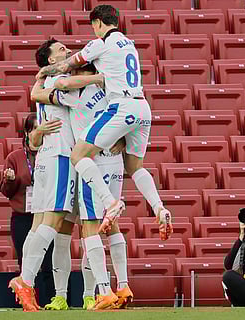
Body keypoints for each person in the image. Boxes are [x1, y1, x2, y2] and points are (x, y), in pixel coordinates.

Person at [34, 4, 173, 240]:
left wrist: (44, 72)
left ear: (98, 23)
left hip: (121, 105)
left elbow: (68, 66)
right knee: (134, 167)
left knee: (79, 155)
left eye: (93, 27)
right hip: (143, 107)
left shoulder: (100, 44)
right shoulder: (129, 44)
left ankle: (110, 203)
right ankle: (159, 207)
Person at [31, 63, 132, 310]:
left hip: (87, 163)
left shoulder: (74, 94)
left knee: (89, 228)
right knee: (109, 224)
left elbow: (40, 94)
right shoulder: (113, 91)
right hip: (112, 162)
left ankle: (99, 292)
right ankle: (121, 285)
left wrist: (42, 78)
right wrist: (125, 138)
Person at [8, 39, 79, 312]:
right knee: (54, 221)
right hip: (60, 156)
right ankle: (25, 280)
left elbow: (36, 94)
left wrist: (39, 82)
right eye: (61, 50)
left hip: (45, 160)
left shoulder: (44, 83)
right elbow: (65, 92)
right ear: (51, 61)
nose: (67, 52)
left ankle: (26, 284)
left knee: (38, 224)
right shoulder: (60, 80)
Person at [0, 113, 57, 306]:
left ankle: (53, 300)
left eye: (40, 128)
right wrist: (10, 180)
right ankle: (28, 300)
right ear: (26, 132)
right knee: (26, 261)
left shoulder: (51, 154)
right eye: (33, 129)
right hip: (23, 217)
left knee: (49, 263)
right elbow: (6, 192)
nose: (37, 132)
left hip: (45, 214)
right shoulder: (15, 157)